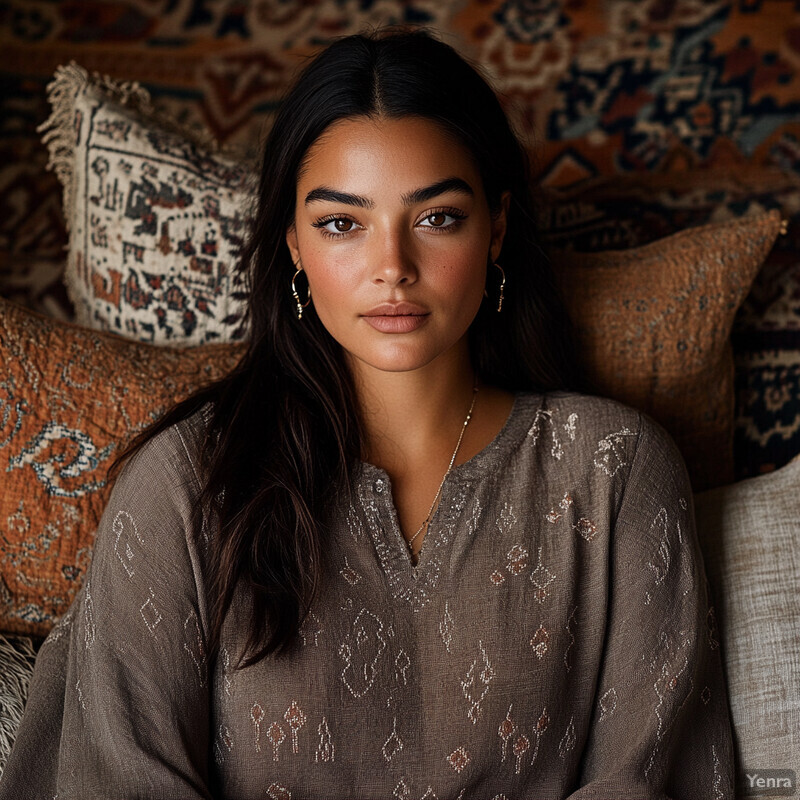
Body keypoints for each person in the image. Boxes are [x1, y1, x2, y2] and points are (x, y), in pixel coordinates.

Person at [0, 28, 734, 799]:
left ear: (498, 229)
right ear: (292, 243)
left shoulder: (614, 470)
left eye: (437, 217)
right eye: (342, 223)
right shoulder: (187, 485)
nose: (393, 267)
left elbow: (649, 779)